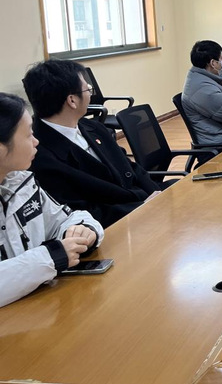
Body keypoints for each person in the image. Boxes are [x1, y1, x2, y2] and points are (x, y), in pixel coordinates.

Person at [22, 59, 160, 228]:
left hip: (146, 204)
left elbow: (131, 167)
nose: (90, 94)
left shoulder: (93, 127)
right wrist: (142, 208)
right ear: (72, 101)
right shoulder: (39, 155)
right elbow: (81, 212)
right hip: (118, 224)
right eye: (88, 89)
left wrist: (158, 195)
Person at [0, 92, 104, 307]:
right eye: (28, 135)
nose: (36, 141)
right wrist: (52, 257)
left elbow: (65, 218)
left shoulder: (21, 183)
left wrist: (83, 229)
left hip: (36, 307)